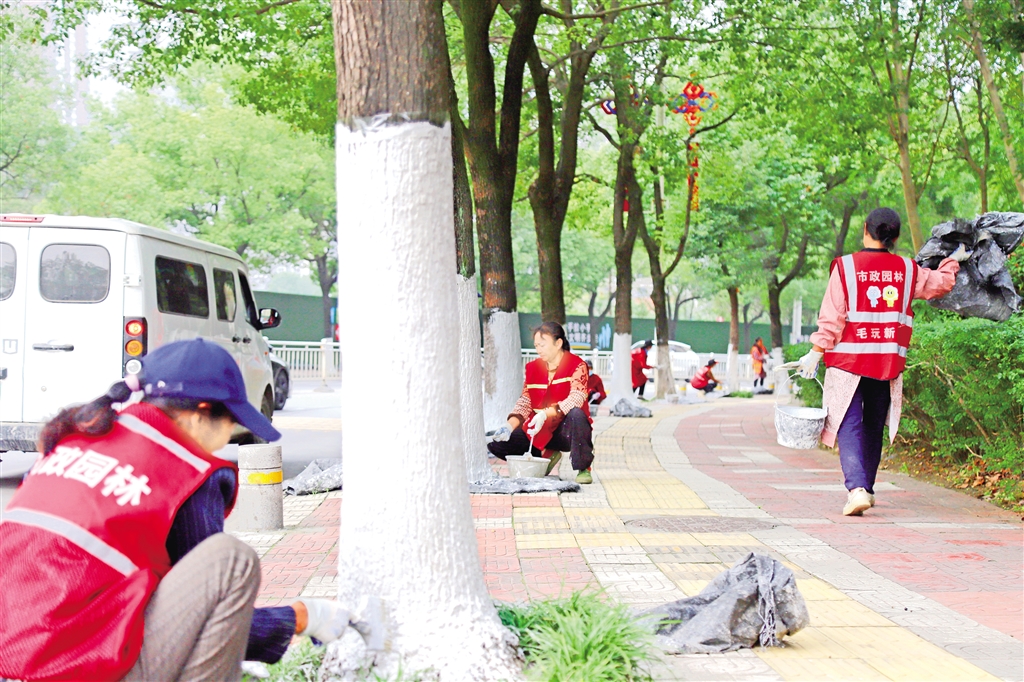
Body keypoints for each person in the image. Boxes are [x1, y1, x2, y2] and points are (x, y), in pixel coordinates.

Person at [0, 339, 381, 682]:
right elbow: (208, 612)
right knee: (231, 560)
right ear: (200, 413)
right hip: (82, 665)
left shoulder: (76, 444)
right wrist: (302, 616)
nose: (228, 437)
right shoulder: (183, 469)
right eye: (231, 423)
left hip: (16, 658)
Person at [798, 207, 968, 517]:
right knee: (873, 425)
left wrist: (816, 350)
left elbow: (832, 316)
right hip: (884, 361)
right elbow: (941, 283)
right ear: (896, 237)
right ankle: (866, 488)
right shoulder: (907, 270)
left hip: (847, 360)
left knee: (848, 423)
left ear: (865, 229)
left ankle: (857, 489)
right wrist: (954, 259)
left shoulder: (846, 267)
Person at [488, 322, 595, 484]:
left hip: (566, 431)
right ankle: (546, 455)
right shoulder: (533, 368)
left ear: (558, 343)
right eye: (536, 345)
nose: (538, 350)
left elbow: (576, 398)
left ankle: (583, 467)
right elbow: (525, 401)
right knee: (498, 445)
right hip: (539, 430)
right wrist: (509, 426)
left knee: (577, 415)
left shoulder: (577, 365)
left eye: (542, 345)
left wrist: (546, 414)